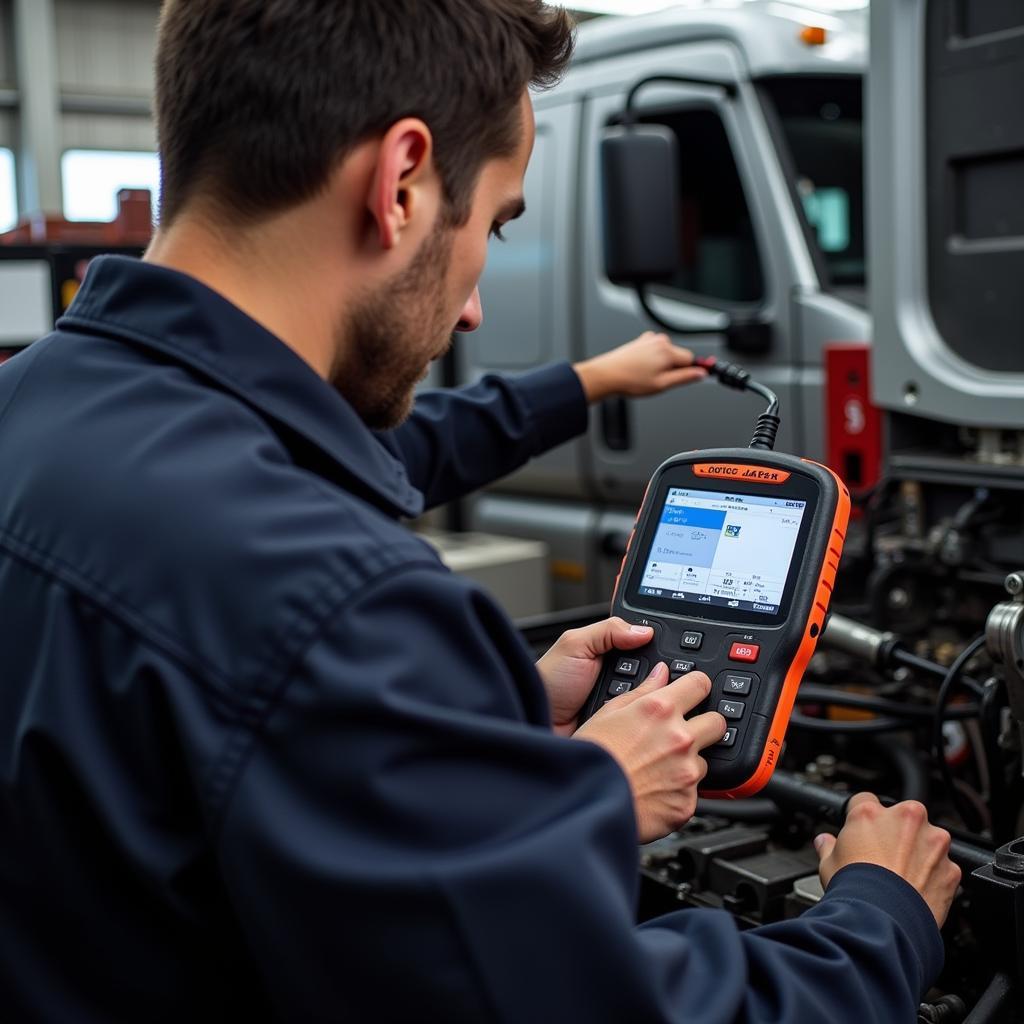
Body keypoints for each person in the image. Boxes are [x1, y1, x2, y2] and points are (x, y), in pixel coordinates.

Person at [0, 2, 959, 1021]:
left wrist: (488, 734)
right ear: (401, 181)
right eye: (496, 222)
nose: (471, 307)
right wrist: (879, 917)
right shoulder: (337, 601)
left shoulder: (32, 405)